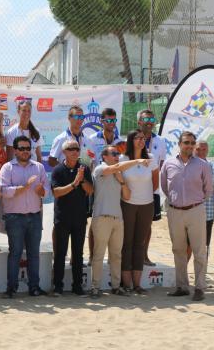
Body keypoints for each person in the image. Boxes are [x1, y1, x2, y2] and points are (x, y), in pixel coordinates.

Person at [161, 131, 212, 302]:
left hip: (196, 210)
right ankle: (182, 287)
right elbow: (165, 187)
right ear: (179, 144)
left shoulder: (202, 165)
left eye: (192, 143)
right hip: (175, 212)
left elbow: (208, 188)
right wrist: (177, 202)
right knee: (178, 250)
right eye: (186, 142)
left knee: (199, 251)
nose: (190, 146)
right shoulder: (168, 164)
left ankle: (199, 287)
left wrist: (194, 202)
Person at [90, 145, 146, 298]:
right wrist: (137, 161)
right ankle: (95, 287)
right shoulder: (100, 169)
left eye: (118, 153)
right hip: (102, 218)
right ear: (104, 157)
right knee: (99, 254)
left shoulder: (119, 174)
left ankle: (115, 286)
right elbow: (116, 166)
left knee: (116, 255)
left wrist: (122, 181)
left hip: (117, 219)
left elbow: (127, 196)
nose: (117, 156)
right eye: (113, 153)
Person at [0, 136, 49, 298]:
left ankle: (34, 287)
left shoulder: (39, 167)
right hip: (14, 218)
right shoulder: (7, 168)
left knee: (34, 254)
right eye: (22, 148)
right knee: (15, 253)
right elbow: (4, 192)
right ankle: (11, 289)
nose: (25, 151)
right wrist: (25, 186)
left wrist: (41, 190)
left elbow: (46, 192)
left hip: (34, 216)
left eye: (28, 148)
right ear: (15, 150)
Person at [51, 139, 94, 296]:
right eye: (71, 149)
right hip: (62, 218)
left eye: (77, 148)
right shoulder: (57, 170)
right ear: (64, 152)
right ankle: (58, 286)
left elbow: (90, 190)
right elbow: (56, 192)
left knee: (78, 253)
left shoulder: (84, 169)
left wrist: (81, 180)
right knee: (60, 253)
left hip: (79, 218)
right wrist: (74, 184)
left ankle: (77, 286)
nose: (75, 151)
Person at [120, 130, 158, 295]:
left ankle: (137, 284)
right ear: (131, 140)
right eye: (138, 138)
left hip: (146, 205)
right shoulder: (122, 159)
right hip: (127, 205)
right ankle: (126, 284)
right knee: (126, 244)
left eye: (144, 138)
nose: (142, 140)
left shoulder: (151, 159)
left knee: (139, 244)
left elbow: (155, 183)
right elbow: (119, 182)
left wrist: (144, 197)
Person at [85, 107, 124, 264]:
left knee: (113, 220)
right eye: (108, 120)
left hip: (115, 184)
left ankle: (110, 258)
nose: (111, 123)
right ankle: (92, 256)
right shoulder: (92, 139)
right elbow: (88, 163)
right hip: (98, 184)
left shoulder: (119, 141)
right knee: (96, 220)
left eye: (113, 120)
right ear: (102, 121)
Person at [137, 109, 167, 266]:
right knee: (130, 223)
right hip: (134, 187)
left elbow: (161, 165)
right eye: (146, 119)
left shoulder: (161, 141)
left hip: (152, 189)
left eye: (152, 118)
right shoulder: (132, 138)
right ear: (139, 122)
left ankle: (144, 255)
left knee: (147, 224)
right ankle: (129, 255)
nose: (149, 122)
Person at [186, 140, 214, 261]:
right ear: (193, 150)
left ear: (207, 151)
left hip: (207, 214)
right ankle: (182, 275)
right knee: (187, 245)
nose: (201, 152)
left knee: (204, 246)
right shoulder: (186, 165)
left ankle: (201, 275)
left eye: (204, 150)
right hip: (188, 213)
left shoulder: (213, 167)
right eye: (198, 149)